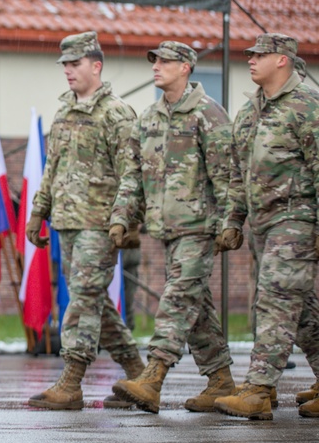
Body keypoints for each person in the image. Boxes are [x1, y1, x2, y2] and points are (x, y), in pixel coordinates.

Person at [107, 41, 234, 414]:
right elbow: (133, 175)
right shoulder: (147, 118)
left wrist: (231, 221)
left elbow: (226, 176)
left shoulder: (209, 114)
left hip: (200, 227)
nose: (157, 66)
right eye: (154, 61)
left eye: (166, 61)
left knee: (177, 300)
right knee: (196, 309)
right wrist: (121, 217)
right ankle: (221, 379)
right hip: (166, 230)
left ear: (186, 68)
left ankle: (153, 377)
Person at [26, 30, 143, 410]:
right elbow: (51, 170)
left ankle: (71, 381)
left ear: (96, 65)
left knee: (83, 298)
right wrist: (38, 212)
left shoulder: (116, 114)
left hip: (100, 223)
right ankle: (138, 373)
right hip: (67, 222)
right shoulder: (63, 112)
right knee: (93, 299)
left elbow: (132, 173)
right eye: (65, 65)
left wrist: (123, 219)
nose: (68, 71)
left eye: (75, 64)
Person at [213, 33, 319, 421]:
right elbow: (238, 174)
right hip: (264, 224)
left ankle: (258, 389)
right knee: (301, 309)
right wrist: (232, 220)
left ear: (283, 61)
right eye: (250, 54)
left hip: (297, 220)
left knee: (275, 300)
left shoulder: (307, 106)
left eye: (261, 55)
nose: (251, 60)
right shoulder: (250, 111)